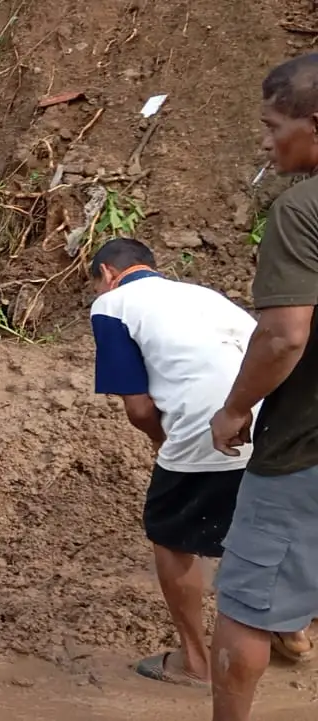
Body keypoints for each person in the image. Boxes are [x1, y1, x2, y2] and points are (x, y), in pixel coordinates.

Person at [86, 237, 311, 686]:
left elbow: (140, 409)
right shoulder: (204, 295)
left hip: (207, 424)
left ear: (108, 274)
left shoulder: (112, 305)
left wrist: (163, 444)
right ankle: (293, 632)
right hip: (274, 420)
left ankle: (196, 662)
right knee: (263, 526)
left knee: (170, 536)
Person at [207, 53, 318, 721]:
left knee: (246, 605)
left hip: (304, 446)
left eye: (274, 125)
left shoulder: (302, 212)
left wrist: (235, 406)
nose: (266, 140)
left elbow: (283, 336)